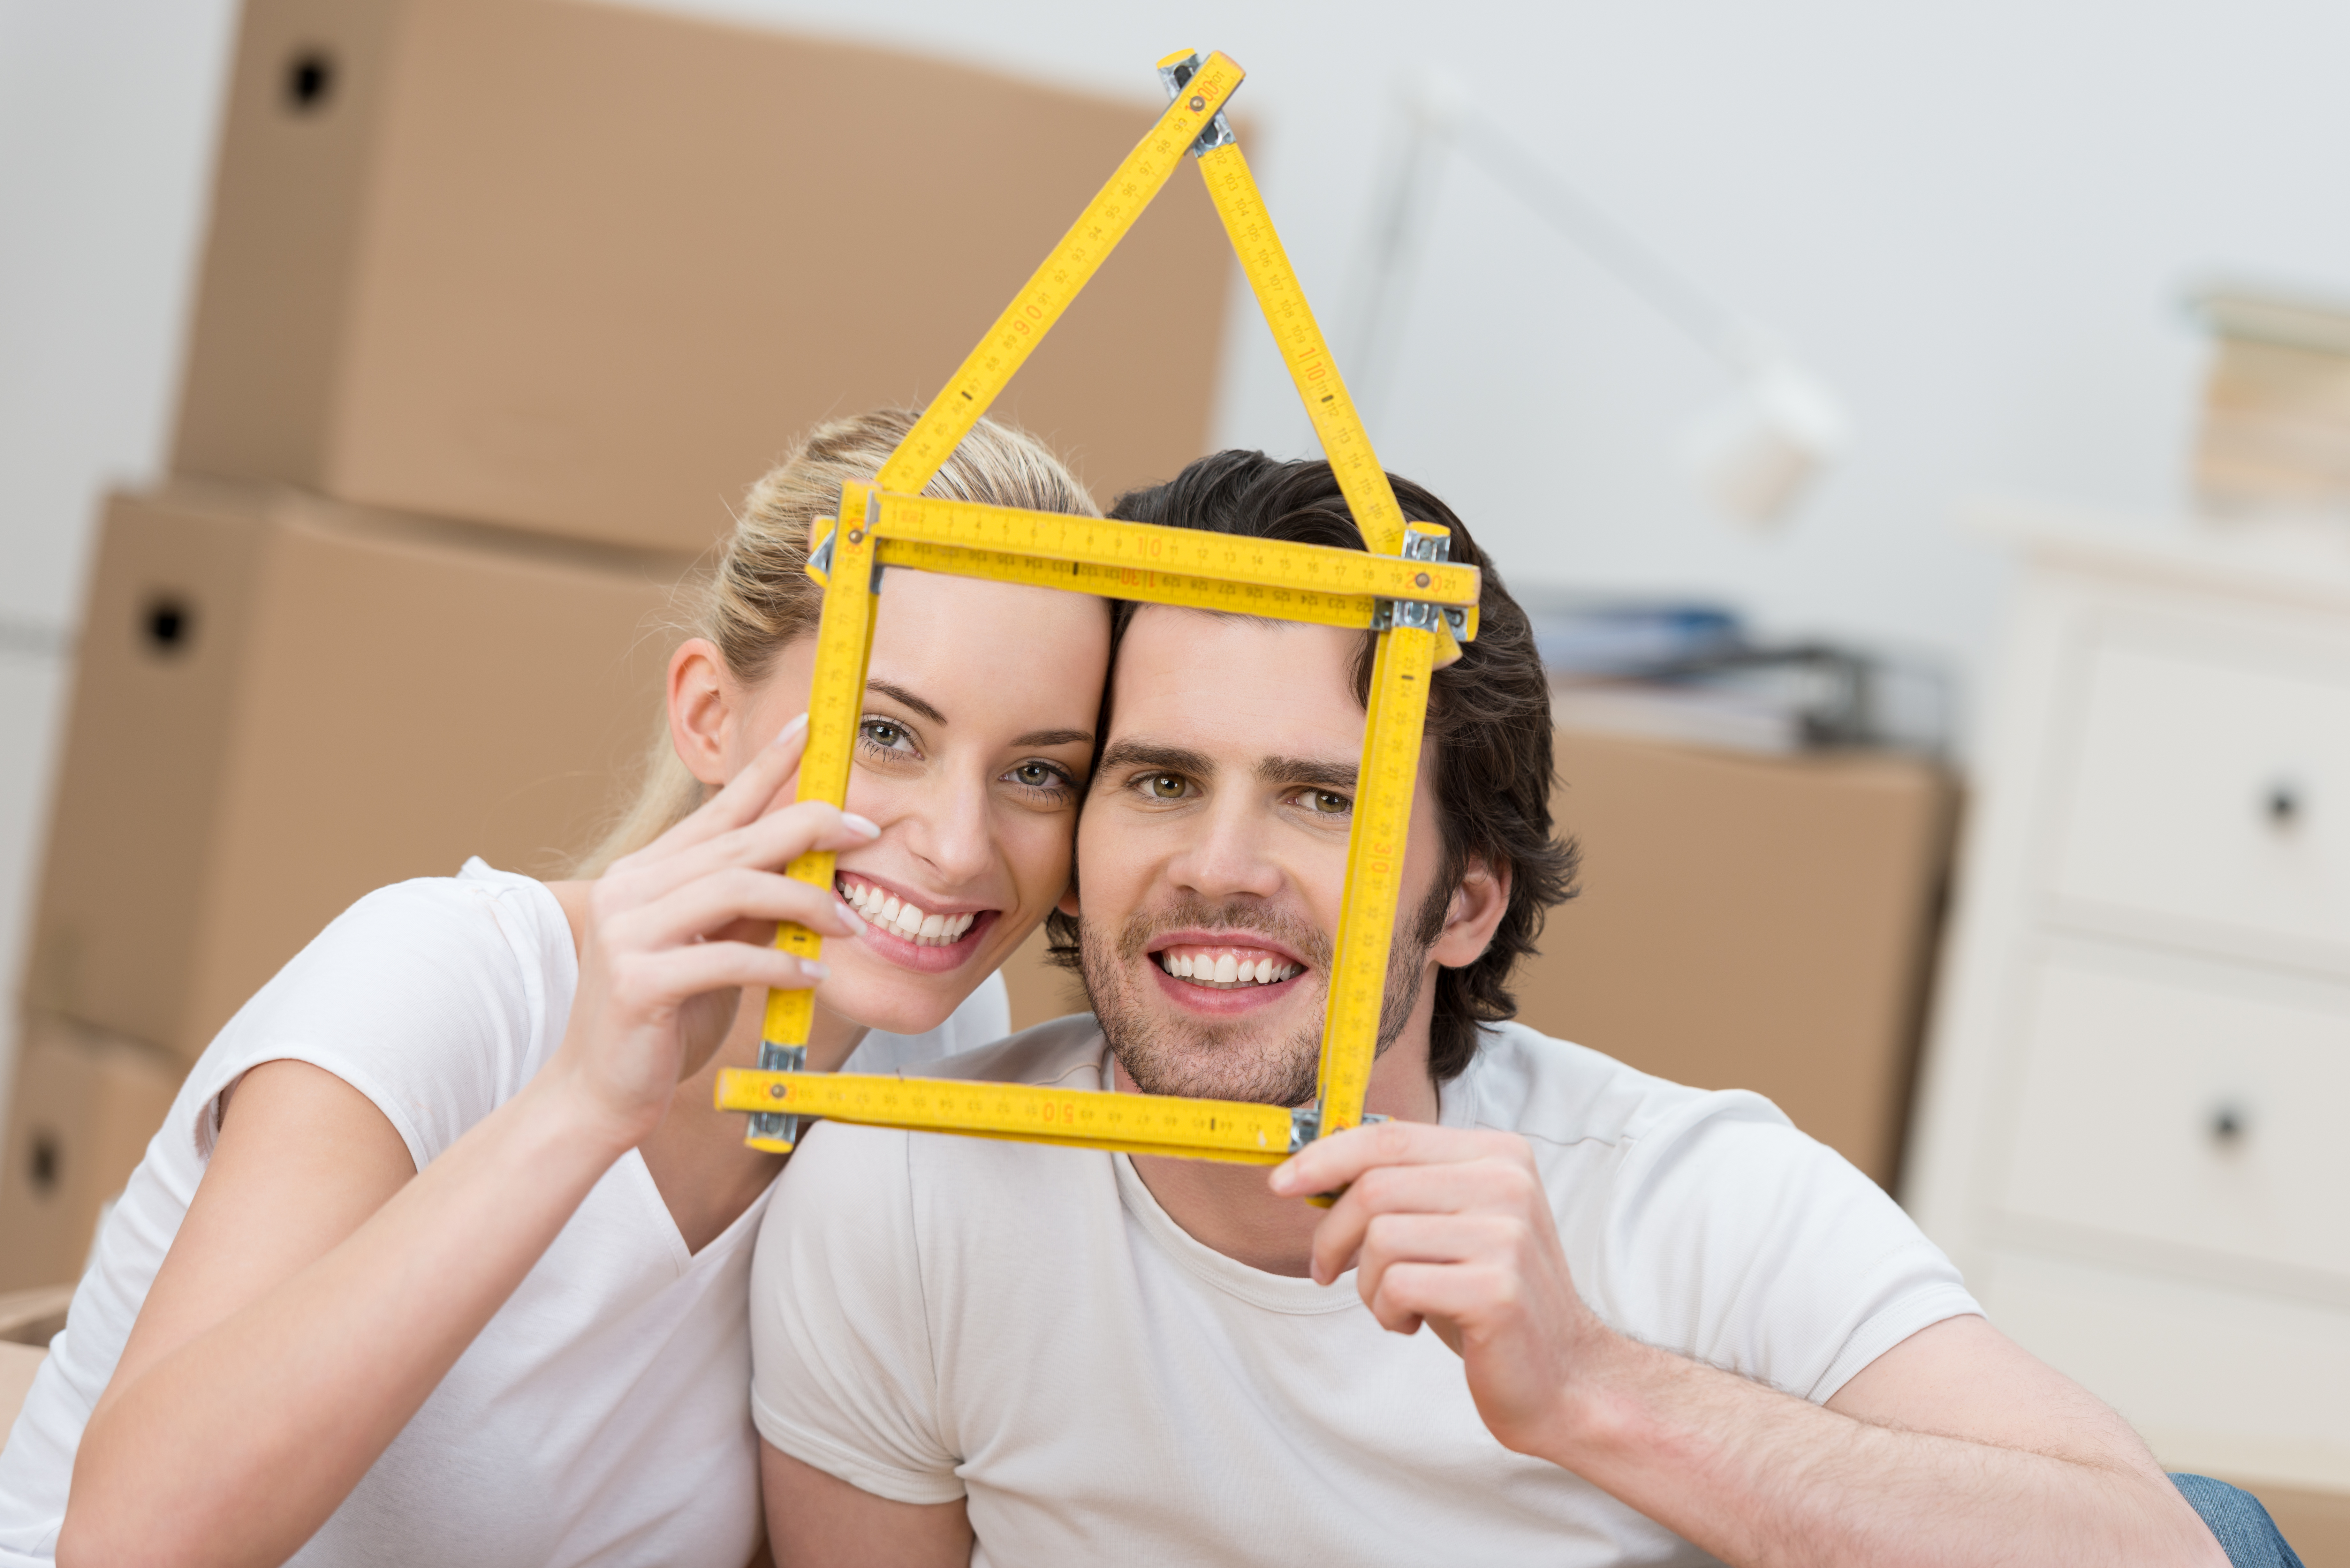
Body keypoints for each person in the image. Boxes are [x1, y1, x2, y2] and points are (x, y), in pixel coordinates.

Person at [747, 452, 2280, 1567]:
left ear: (1466, 900)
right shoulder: (907, 1203)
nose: (1217, 868)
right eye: (1157, 780)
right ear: (1076, 853)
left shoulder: (1690, 1199)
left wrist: (1591, 1387)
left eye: (1320, 798)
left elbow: (2158, 1552)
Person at [0, 409, 1114, 1568]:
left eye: (1038, 772)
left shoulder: (927, 1049)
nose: (959, 847)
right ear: (709, 717)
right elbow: (127, 1546)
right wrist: (581, 1107)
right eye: (887, 732)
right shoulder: (443, 980)